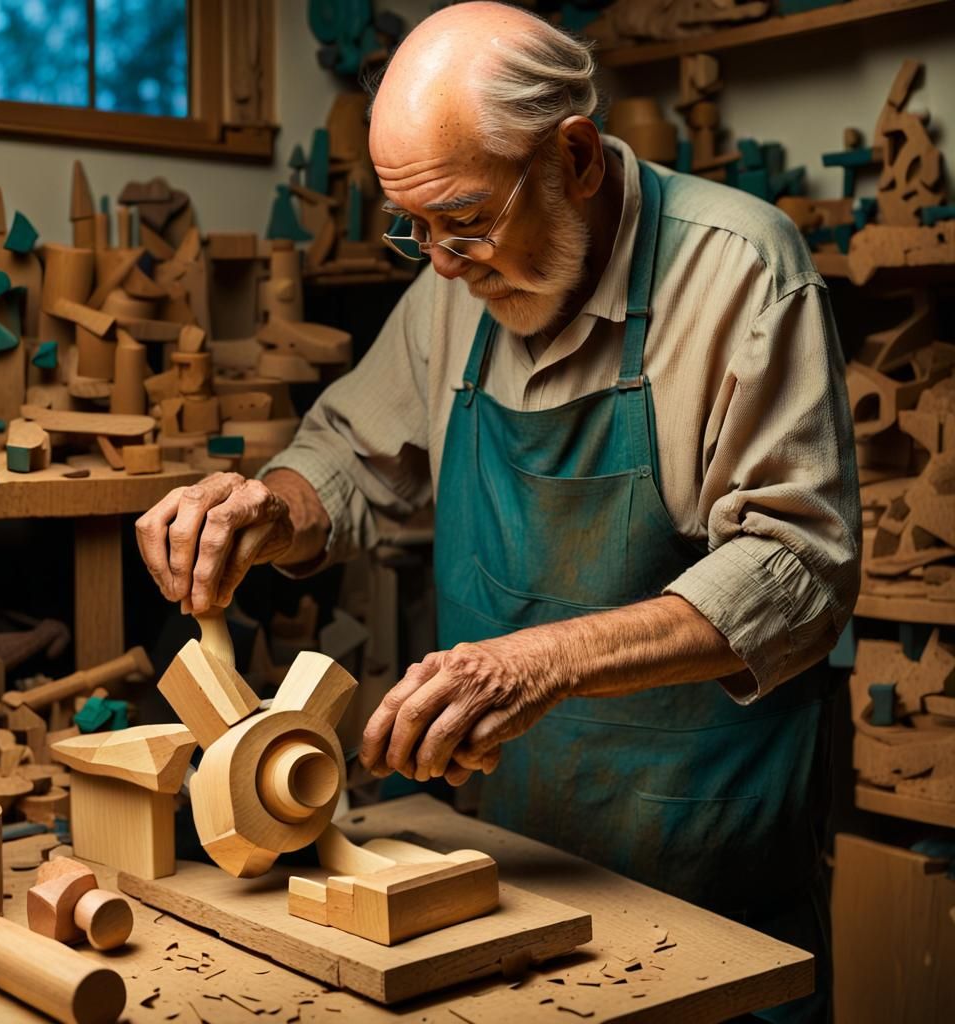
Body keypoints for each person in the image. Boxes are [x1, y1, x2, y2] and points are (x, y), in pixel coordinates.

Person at [136, 4, 859, 1019]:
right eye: (413, 228)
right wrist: (269, 510)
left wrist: (540, 660)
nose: (439, 260)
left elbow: (798, 568)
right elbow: (347, 455)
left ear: (574, 158)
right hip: (518, 864)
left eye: (464, 220)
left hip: (708, 866)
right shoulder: (454, 281)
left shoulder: (742, 270)